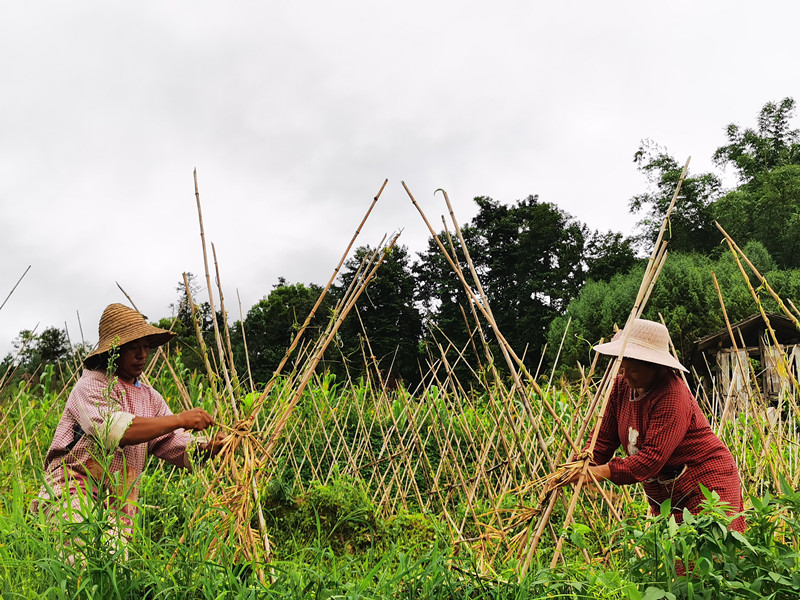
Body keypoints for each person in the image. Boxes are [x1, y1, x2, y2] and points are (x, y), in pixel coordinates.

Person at [33, 303, 225, 555]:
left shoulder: (151, 398)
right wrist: (180, 418)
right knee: (78, 556)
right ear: (114, 350)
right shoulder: (90, 386)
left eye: (146, 347)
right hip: (74, 484)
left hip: (119, 497)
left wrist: (208, 449)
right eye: (133, 348)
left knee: (113, 568)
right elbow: (113, 430)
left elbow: (172, 443)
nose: (142, 355)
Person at [576, 318, 745, 532]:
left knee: (709, 556)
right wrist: (581, 464)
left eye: (634, 370)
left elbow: (651, 459)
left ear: (656, 367)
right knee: (677, 559)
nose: (625, 376)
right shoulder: (621, 387)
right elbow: (603, 439)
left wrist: (599, 473)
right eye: (622, 368)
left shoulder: (671, 394)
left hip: (707, 483)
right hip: (669, 489)